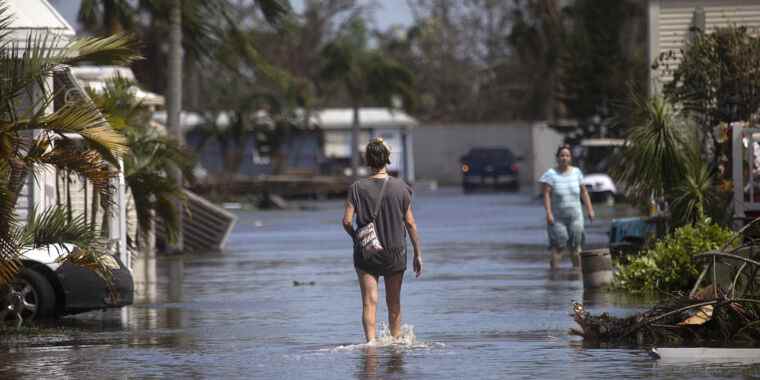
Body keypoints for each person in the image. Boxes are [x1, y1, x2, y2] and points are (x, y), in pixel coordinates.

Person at [342, 138, 423, 343]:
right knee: (393, 302)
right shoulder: (401, 187)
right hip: (395, 252)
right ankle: (396, 344)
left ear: (367, 160)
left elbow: (346, 221)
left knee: (370, 302)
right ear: (387, 159)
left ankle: (370, 345)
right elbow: (411, 224)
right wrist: (418, 254)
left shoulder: (357, 188)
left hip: (367, 252)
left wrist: (358, 238)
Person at [539, 144, 595, 269]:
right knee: (559, 246)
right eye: (562, 155)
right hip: (557, 218)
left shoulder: (577, 172)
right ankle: (554, 275)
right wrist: (548, 213)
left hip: (576, 216)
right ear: (557, 158)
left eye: (567, 155)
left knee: (576, 246)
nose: (564, 158)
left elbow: (584, 192)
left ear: (571, 158)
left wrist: (590, 210)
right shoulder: (550, 174)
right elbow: (546, 194)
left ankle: (578, 275)